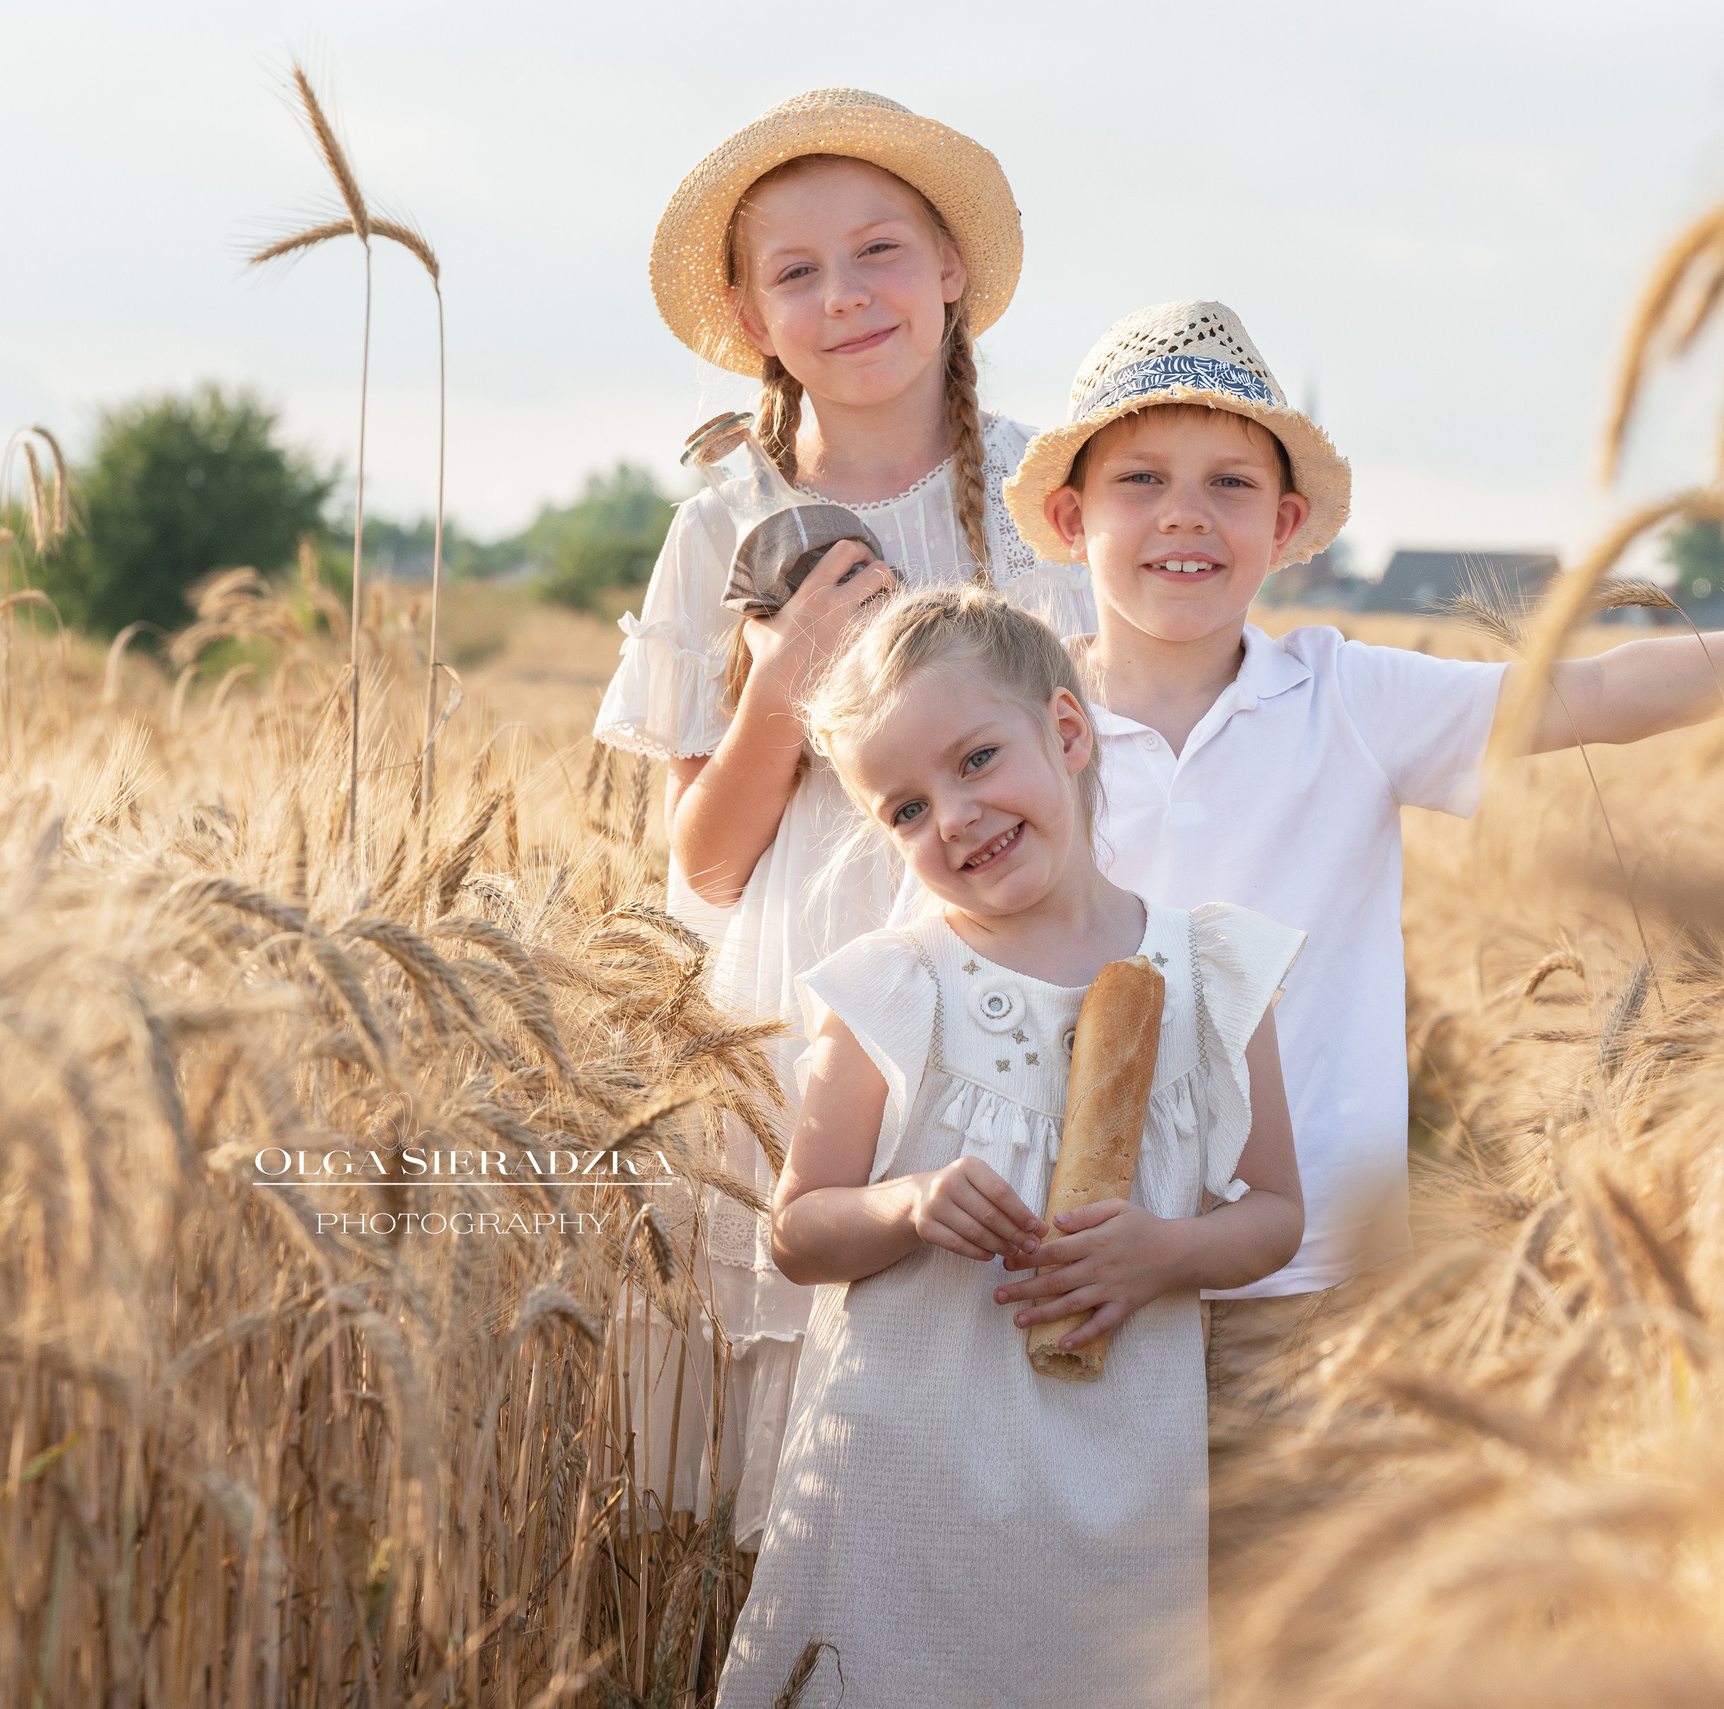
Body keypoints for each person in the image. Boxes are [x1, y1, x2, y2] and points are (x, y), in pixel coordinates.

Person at [1002, 297, 1724, 1465]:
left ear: (1284, 525)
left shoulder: (1345, 698)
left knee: (1295, 1605)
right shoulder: (1021, 720)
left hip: (1306, 1266)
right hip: (1075, 1254)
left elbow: (1591, 693)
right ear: (1072, 519)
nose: (1184, 513)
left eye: (1228, 484)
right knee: (1103, 1623)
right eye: (1140, 481)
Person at [589, 88, 1093, 1551]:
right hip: (798, 1007)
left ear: (952, 269)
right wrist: (786, 686)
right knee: (800, 1468)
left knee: (998, 1395)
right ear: (748, 312)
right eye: (795, 272)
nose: (843, 294)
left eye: (879, 249)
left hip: (1019, 1000)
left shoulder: (1051, 496)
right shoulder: (722, 522)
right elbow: (703, 859)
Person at [715, 586, 1304, 1709]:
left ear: (1068, 732)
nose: (954, 816)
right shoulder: (895, 985)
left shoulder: (1212, 973)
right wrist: (908, 1202)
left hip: (1117, 1479)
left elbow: (1274, 1210)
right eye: (903, 808)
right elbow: (797, 1228)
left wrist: (1164, 1250)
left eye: (978, 758)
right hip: (903, 1476)